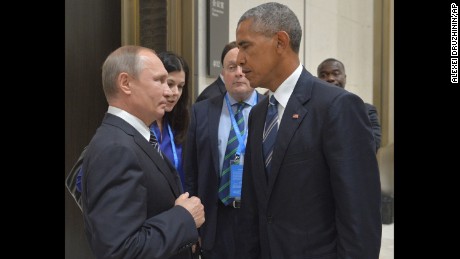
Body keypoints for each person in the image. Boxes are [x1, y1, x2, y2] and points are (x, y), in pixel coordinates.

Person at [235, 2, 382, 259]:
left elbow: (359, 216)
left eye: (245, 46)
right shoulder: (258, 114)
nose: (239, 59)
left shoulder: (337, 107)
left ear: (280, 42)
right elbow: (254, 208)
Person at [80, 45, 204, 259]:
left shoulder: (135, 138)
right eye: (159, 81)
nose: (169, 91)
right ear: (126, 83)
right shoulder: (116, 149)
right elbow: (120, 250)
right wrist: (183, 217)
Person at [67, 51, 191, 207]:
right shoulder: (122, 133)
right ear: (127, 83)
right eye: (164, 82)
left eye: (180, 87)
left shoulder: (178, 123)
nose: (172, 92)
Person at [184, 41, 265, 259]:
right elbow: (191, 172)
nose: (239, 73)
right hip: (215, 220)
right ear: (223, 73)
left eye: (243, 66)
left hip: (258, 221)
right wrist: (193, 226)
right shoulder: (201, 112)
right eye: (231, 67)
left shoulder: (272, 111)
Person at [317, 58, 382, 152]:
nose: (330, 78)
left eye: (336, 73)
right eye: (323, 75)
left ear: (344, 77)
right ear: (317, 80)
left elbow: (373, 145)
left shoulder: (367, 110)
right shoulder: (312, 111)